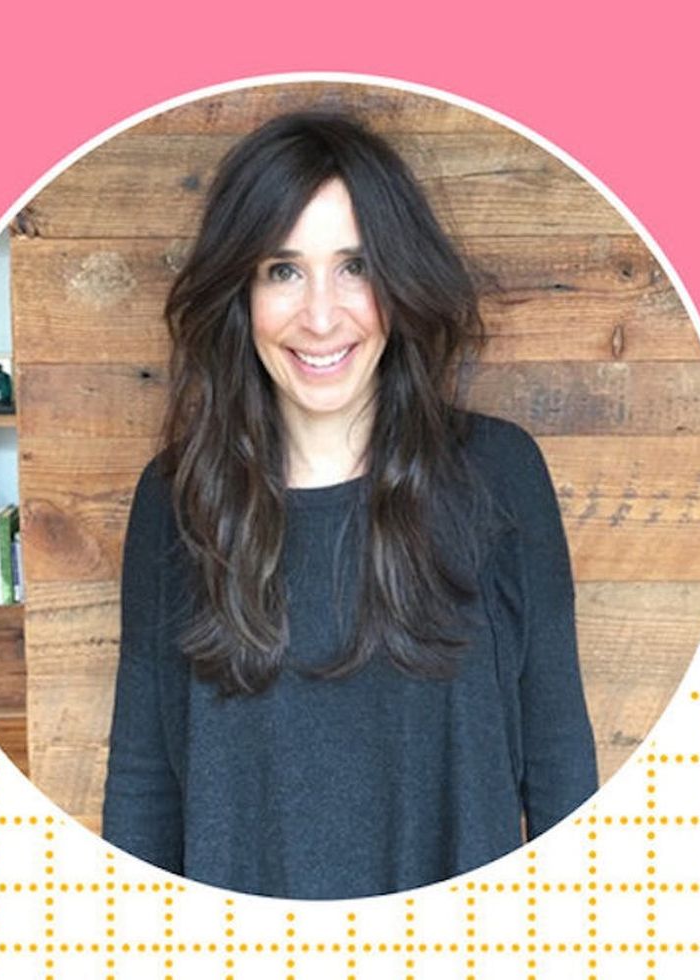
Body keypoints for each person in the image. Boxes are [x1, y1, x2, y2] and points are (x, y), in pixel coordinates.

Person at [102, 110, 597, 899]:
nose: (322, 316)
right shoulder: (176, 499)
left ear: (398, 280)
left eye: (355, 266)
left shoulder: (500, 477)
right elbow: (143, 791)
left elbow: (562, 770)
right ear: (241, 291)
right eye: (283, 270)